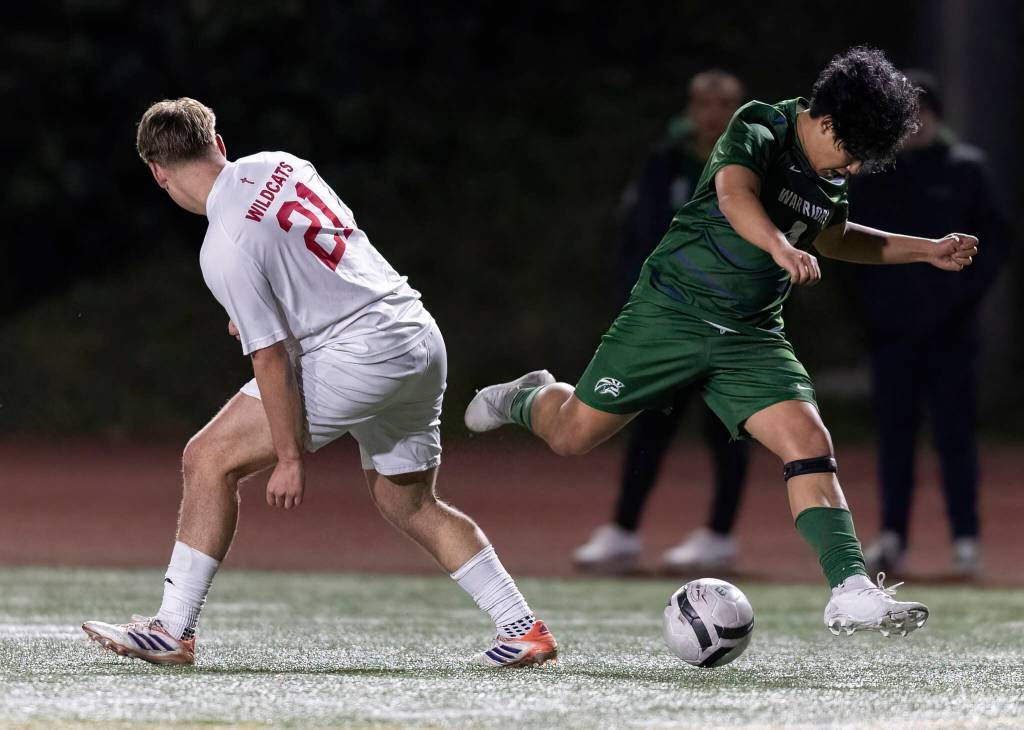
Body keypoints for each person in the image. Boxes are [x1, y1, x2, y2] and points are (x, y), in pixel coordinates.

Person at [467, 47, 980, 637]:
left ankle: (851, 589)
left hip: (750, 333)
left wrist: (927, 249)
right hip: (672, 312)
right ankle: (527, 397)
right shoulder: (763, 123)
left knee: (809, 442)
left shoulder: (833, 170)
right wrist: (780, 248)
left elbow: (834, 237)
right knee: (571, 436)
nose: (857, 168)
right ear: (829, 121)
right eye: (854, 151)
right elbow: (736, 195)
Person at [81, 98, 558, 668]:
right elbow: (324, 251)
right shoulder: (282, 163)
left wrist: (288, 456)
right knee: (406, 499)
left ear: (158, 174)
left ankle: (172, 629)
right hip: (416, 334)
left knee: (207, 459)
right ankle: (523, 627)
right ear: (220, 145)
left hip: (359, 357)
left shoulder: (222, 246)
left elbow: (273, 359)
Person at [573, 70, 752, 573]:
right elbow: (634, 242)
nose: (713, 113)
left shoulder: (756, 166)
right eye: (703, 103)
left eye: (725, 104)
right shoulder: (663, 163)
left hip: (730, 326)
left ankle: (719, 535)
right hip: (668, 324)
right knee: (649, 428)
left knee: (730, 430)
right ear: (690, 108)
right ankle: (624, 531)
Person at [848, 71, 1008, 578]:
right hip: (891, 336)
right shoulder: (873, 172)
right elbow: (849, 245)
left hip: (951, 335)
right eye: (904, 115)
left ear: (937, 115)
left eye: (922, 113)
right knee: (894, 437)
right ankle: (893, 537)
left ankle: (965, 541)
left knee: (956, 438)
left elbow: (995, 246)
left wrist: (959, 302)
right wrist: (872, 312)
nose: (914, 124)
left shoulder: (967, 169)